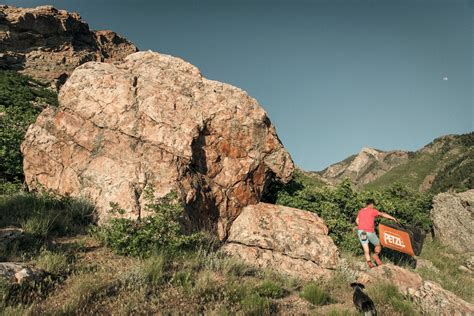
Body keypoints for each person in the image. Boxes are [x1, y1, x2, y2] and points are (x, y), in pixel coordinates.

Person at [356, 199, 398, 268]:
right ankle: (375, 255)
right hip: (369, 232)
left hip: (361, 232)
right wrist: (392, 218)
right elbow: (382, 214)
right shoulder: (373, 211)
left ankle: (369, 263)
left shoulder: (361, 211)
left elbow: (357, 220)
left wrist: (361, 226)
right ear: (371, 204)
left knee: (366, 249)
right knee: (378, 245)